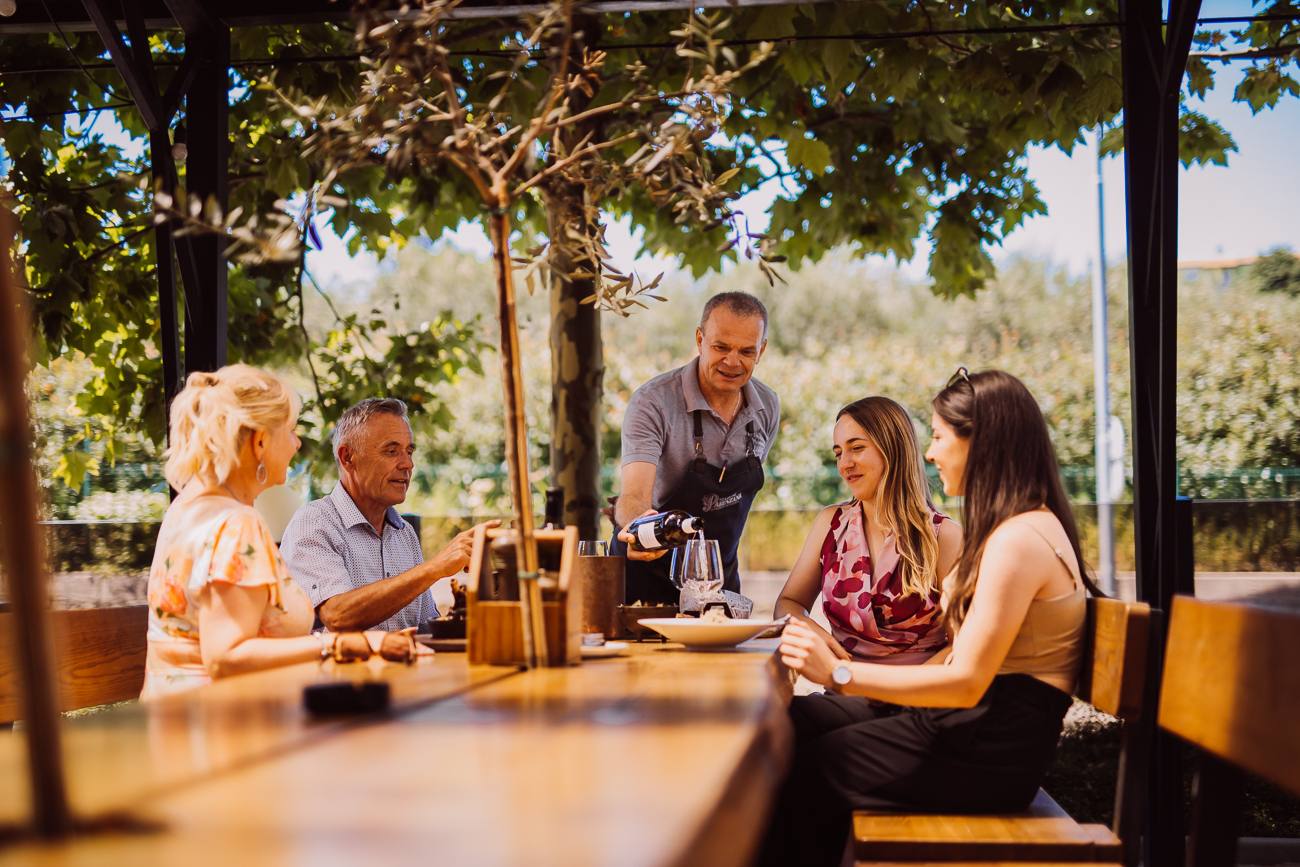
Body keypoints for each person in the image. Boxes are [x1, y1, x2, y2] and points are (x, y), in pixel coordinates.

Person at [760, 369, 1104, 867]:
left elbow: (965, 681)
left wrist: (837, 673)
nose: (930, 452)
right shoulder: (1024, 528)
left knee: (815, 765)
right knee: (800, 731)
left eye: (940, 436)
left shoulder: (1016, 540)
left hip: (992, 749)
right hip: (987, 732)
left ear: (981, 441)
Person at [142, 366, 379, 699]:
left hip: (171, 720)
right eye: (291, 430)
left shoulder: (185, 510)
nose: (296, 444)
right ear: (260, 441)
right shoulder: (237, 523)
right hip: (220, 731)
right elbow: (226, 657)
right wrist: (340, 643)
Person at [612, 292, 780, 603]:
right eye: (721, 347)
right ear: (700, 339)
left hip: (718, 578)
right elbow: (633, 495)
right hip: (647, 575)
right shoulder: (653, 402)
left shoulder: (767, 406)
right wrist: (638, 529)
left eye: (746, 351)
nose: (732, 361)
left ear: (762, 350)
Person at [280, 398, 497, 632]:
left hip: (410, 667)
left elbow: (425, 629)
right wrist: (436, 567)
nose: (407, 464)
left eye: (409, 451)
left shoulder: (405, 533)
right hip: (342, 669)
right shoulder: (314, 523)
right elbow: (337, 615)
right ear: (347, 458)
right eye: (391, 451)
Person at [773, 396, 962, 664]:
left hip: (918, 700)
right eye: (838, 453)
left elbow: (961, 648)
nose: (844, 464)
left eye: (857, 448)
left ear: (892, 449)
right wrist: (813, 634)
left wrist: (887, 688)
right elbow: (788, 603)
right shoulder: (830, 524)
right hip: (844, 692)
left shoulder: (945, 536)